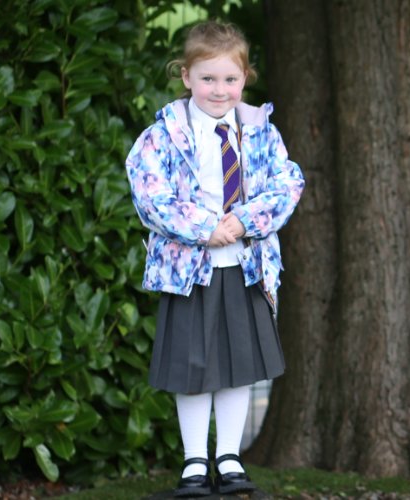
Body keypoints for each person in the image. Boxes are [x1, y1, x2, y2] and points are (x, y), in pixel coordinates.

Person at [123, 20, 304, 497]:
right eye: (207, 79)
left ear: (245, 78)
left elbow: (288, 183)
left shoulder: (260, 131)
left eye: (229, 79)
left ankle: (228, 456)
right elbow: (150, 194)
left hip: (245, 266)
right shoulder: (164, 135)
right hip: (190, 272)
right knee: (194, 368)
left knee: (239, 365)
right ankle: (194, 462)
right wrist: (207, 228)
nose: (218, 90)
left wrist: (242, 223)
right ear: (185, 76)